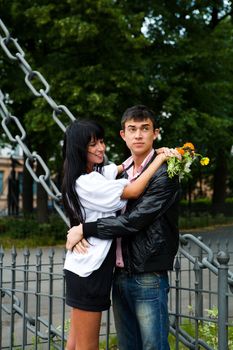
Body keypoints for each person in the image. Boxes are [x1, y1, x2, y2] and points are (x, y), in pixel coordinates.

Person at [66, 105, 180, 350]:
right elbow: (133, 190)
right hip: (109, 272)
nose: (138, 135)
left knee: (152, 346)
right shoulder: (96, 180)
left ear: (155, 133)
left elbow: (134, 220)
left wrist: (84, 229)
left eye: (145, 129)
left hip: (144, 273)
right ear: (124, 135)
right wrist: (83, 229)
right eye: (132, 129)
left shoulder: (160, 174)